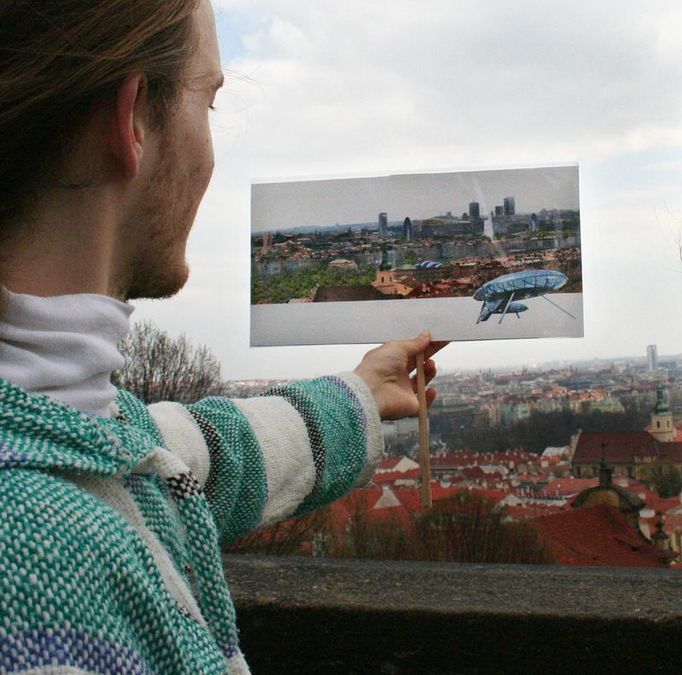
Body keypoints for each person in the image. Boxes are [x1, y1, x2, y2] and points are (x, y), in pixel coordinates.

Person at [0, 1, 444, 673]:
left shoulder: (67, 419)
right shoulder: (41, 565)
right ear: (134, 120)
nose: (210, 148)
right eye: (208, 101)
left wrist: (360, 393)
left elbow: (204, 455)